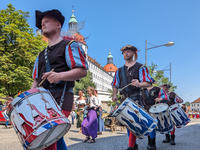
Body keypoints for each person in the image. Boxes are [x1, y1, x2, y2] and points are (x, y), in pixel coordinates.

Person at [32, 9, 88, 150]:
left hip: (61, 98)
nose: (42, 23)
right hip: (42, 101)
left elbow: (82, 71)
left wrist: (59, 76)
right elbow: (35, 82)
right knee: (55, 138)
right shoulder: (40, 55)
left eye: (47, 20)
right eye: (41, 22)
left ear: (58, 25)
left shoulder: (70, 45)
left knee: (47, 139)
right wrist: (25, 100)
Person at [111, 45, 154, 150]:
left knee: (138, 121)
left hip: (137, 98)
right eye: (124, 52)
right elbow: (115, 85)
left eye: (128, 51)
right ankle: (133, 145)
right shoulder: (119, 71)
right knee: (128, 122)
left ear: (134, 53)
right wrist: (114, 94)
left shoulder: (140, 67)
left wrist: (139, 84)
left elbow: (148, 83)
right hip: (124, 99)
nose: (126, 54)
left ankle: (148, 143)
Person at [141, 84, 160, 150]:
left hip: (154, 108)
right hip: (145, 110)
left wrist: (160, 99)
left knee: (152, 126)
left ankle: (153, 144)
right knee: (148, 126)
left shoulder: (157, 89)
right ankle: (149, 142)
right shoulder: (143, 90)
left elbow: (164, 96)